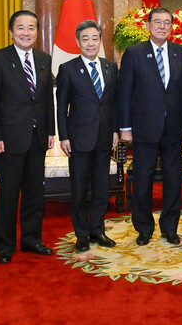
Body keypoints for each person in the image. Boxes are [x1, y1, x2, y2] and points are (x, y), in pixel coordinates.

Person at [0, 11, 56, 264]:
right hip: (8, 139)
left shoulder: (44, 59)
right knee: (8, 193)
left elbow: (47, 101)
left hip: (37, 137)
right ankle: (4, 245)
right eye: (21, 27)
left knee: (35, 192)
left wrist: (50, 132)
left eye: (32, 28)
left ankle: (32, 239)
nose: (26, 32)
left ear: (37, 32)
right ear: (11, 31)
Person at [117, 7, 182, 246]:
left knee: (173, 180)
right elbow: (124, 93)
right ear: (147, 25)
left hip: (173, 128)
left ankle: (170, 228)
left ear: (172, 27)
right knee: (142, 180)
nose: (162, 26)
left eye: (167, 23)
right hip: (143, 128)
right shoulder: (134, 53)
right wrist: (125, 127)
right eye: (157, 22)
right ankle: (144, 228)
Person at [56, 20, 119, 252]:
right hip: (79, 140)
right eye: (86, 39)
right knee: (80, 190)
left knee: (102, 188)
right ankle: (81, 234)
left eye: (95, 38)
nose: (91, 43)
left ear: (100, 41)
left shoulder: (110, 67)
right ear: (78, 42)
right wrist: (64, 136)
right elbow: (61, 107)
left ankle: (98, 230)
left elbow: (114, 103)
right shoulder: (68, 69)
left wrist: (115, 130)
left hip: (104, 139)